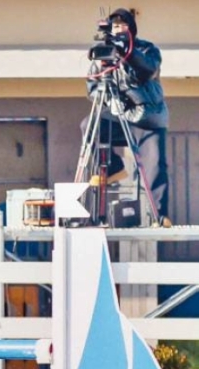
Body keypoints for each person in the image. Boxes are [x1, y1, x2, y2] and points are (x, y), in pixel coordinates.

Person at [83, 8, 169, 225]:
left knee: (154, 165)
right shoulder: (105, 52)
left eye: (123, 25)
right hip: (118, 115)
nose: (118, 29)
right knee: (88, 126)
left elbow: (147, 70)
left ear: (131, 29)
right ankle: (115, 169)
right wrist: (109, 101)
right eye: (115, 26)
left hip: (146, 117)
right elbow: (93, 85)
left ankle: (160, 215)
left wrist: (126, 53)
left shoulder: (147, 49)